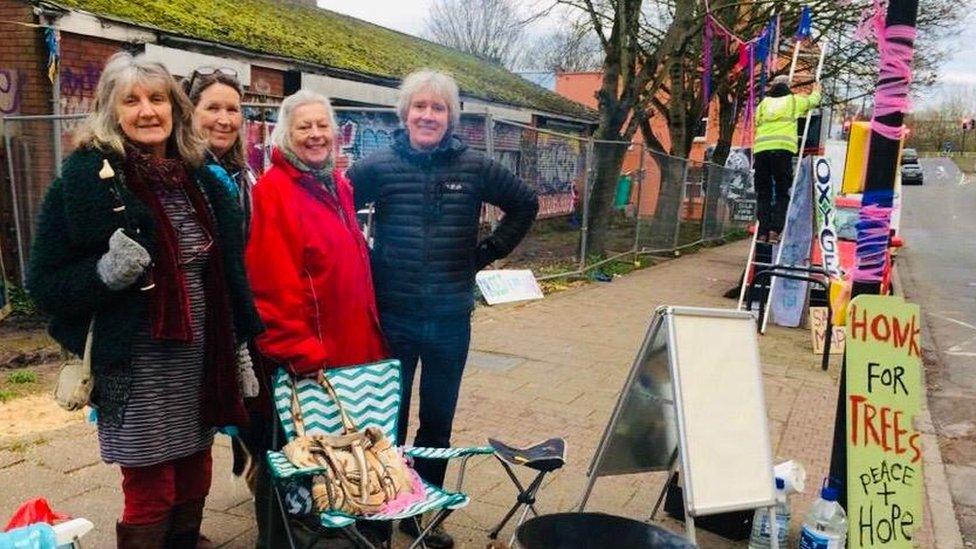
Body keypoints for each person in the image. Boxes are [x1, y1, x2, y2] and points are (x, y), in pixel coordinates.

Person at [26, 51, 262, 548]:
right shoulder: (84, 181)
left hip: (200, 358)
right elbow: (44, 283)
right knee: (151, 484)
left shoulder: (198, 176)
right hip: (136, 364)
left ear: (175, 108)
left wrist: (240, 342)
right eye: (131, 101)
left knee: (196, 470)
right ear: (111, 112)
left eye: (157, 98)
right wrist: (104, 274)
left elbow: (228, 272)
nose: (147, 110)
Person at [347, 69, 539, 548]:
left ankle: (423, 511)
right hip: (394, 314)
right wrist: (365, 259)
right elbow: (338, 210)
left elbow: (525, 203)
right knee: (386, 417)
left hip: (450, 317)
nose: (428, 115)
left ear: (450, 117)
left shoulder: (474, 166)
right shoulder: (378, 166)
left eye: (438, 108)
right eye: (420, 106)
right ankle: (380, 512)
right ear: (405, 112)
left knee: (437, 419)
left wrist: (487, 251)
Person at [244, 90, 388, 545]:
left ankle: (334, 519)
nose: (315, 134)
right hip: (310, 357)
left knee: (334, 451)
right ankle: (279, 539)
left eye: (322, 125)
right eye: (303, 126)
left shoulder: (336, 184)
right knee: (290, 453)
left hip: (353, 348)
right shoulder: (274, 192)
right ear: (285, 135)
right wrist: (299, 351)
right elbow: (271, 284)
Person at [753, 74, 821, 242]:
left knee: (764, 193)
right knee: (783, 192)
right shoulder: (793, 101)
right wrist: (817, 90)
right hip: (782, 151)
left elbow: (756, 123)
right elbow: (812, 101)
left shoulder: (762, 105)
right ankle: (775, 230)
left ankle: (762, 232)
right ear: (788, 86)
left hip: (761, 151)